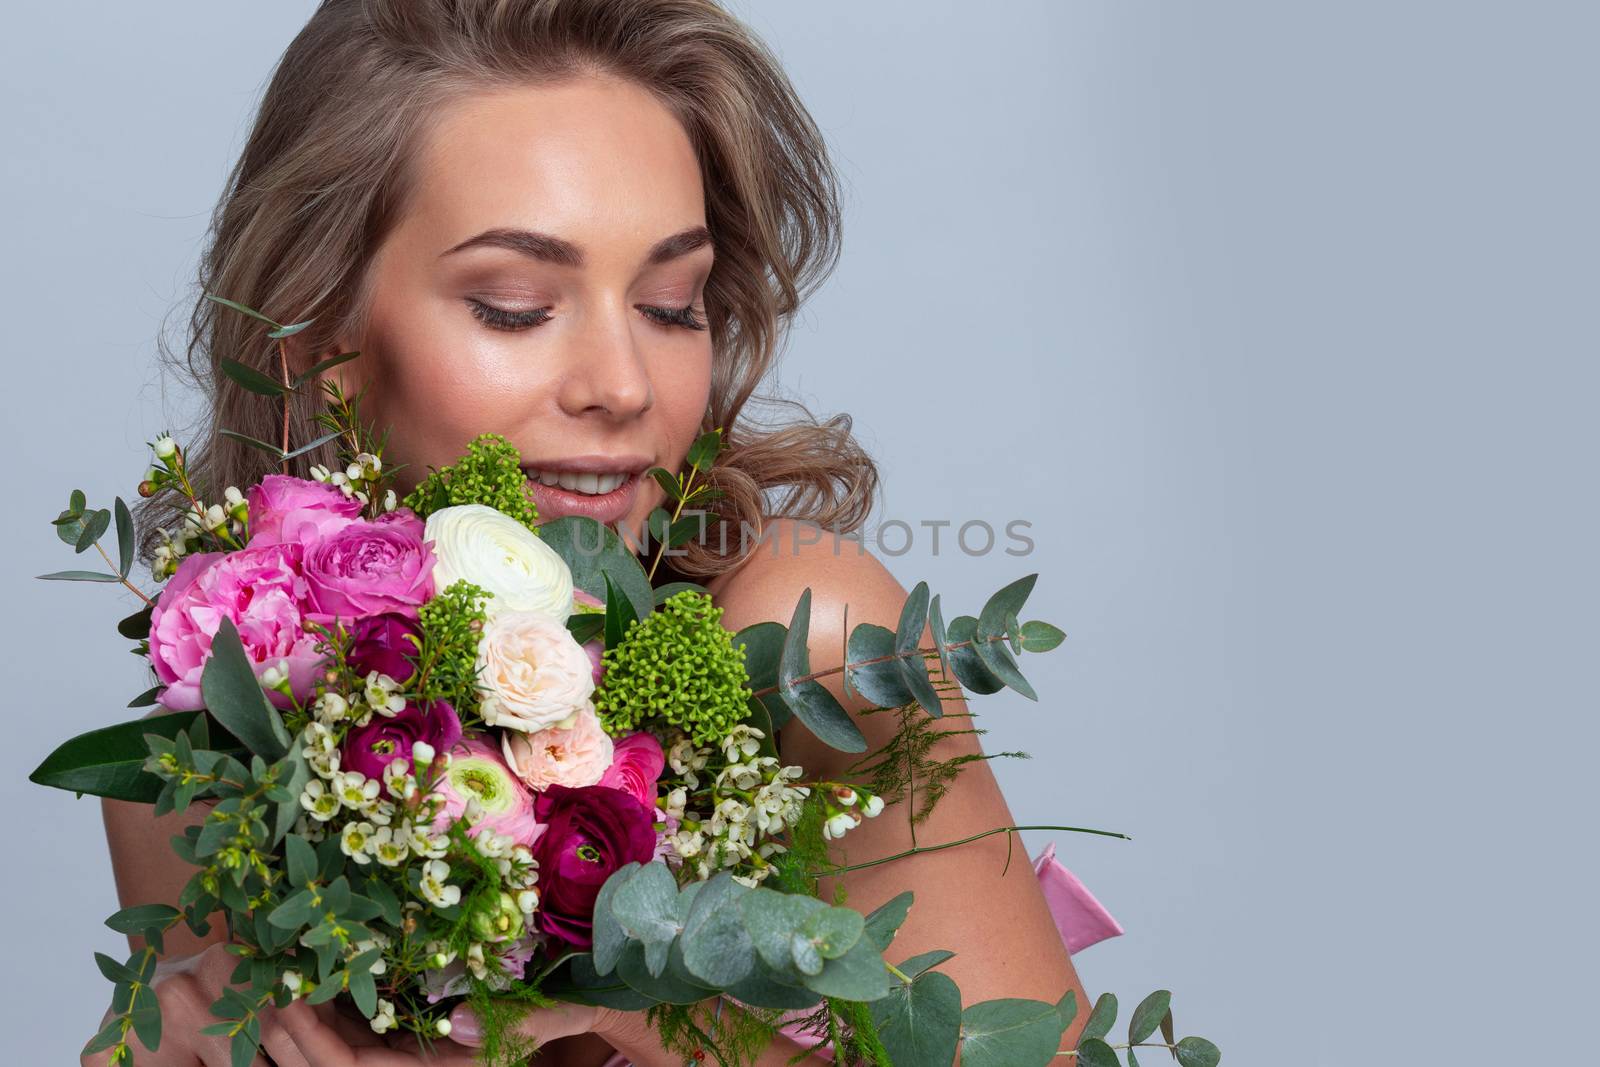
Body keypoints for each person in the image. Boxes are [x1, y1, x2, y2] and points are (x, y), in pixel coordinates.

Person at [89, 1, 1113, 1063]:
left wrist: (638, 1009)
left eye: (673, 305)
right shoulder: (216, 759)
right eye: (517, 305)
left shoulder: (819, 658)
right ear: (318, 345)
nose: (625, 387)